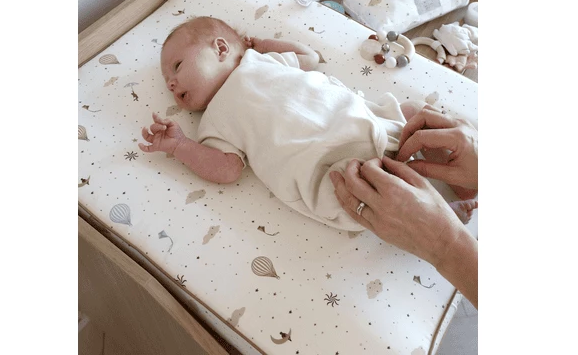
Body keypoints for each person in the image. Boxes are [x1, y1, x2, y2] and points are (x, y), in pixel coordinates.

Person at [138, 16, 477, 232]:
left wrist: (263, 44)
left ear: (222, 48)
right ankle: (445, 214)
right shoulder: (213, 122)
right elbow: (227, 169)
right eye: (168, 82)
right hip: (330, 165)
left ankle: (458, 174)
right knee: (385, 196)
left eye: (177, 66)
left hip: (358, 118)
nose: (171, 83)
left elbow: (309, 58)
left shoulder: (261, 61)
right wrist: (181, 146)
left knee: (414, 113)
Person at [329, 106, 478, 308]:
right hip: (356, 141)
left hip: (357, 126)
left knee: (409, 118)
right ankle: (456, 188)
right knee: (412, 116)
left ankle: (445, 205)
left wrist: (445, 241)